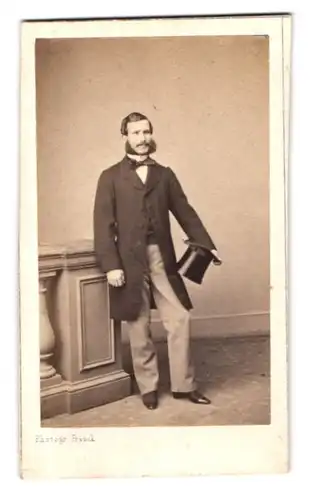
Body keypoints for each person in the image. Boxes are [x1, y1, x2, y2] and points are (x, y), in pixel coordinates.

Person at [93, 112, 222, 410]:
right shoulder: (110, 177)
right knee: (138, 325)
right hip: (127, 261)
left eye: (146, 132)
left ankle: (184, 386)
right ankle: (148, 388)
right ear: (125, 136)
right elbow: (102, 226)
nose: (143, 138)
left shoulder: (164, 175)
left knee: (179, 318)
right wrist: (111, 265)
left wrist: (206, 244)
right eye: (136, 133)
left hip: (160, 257)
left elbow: (185, 212)